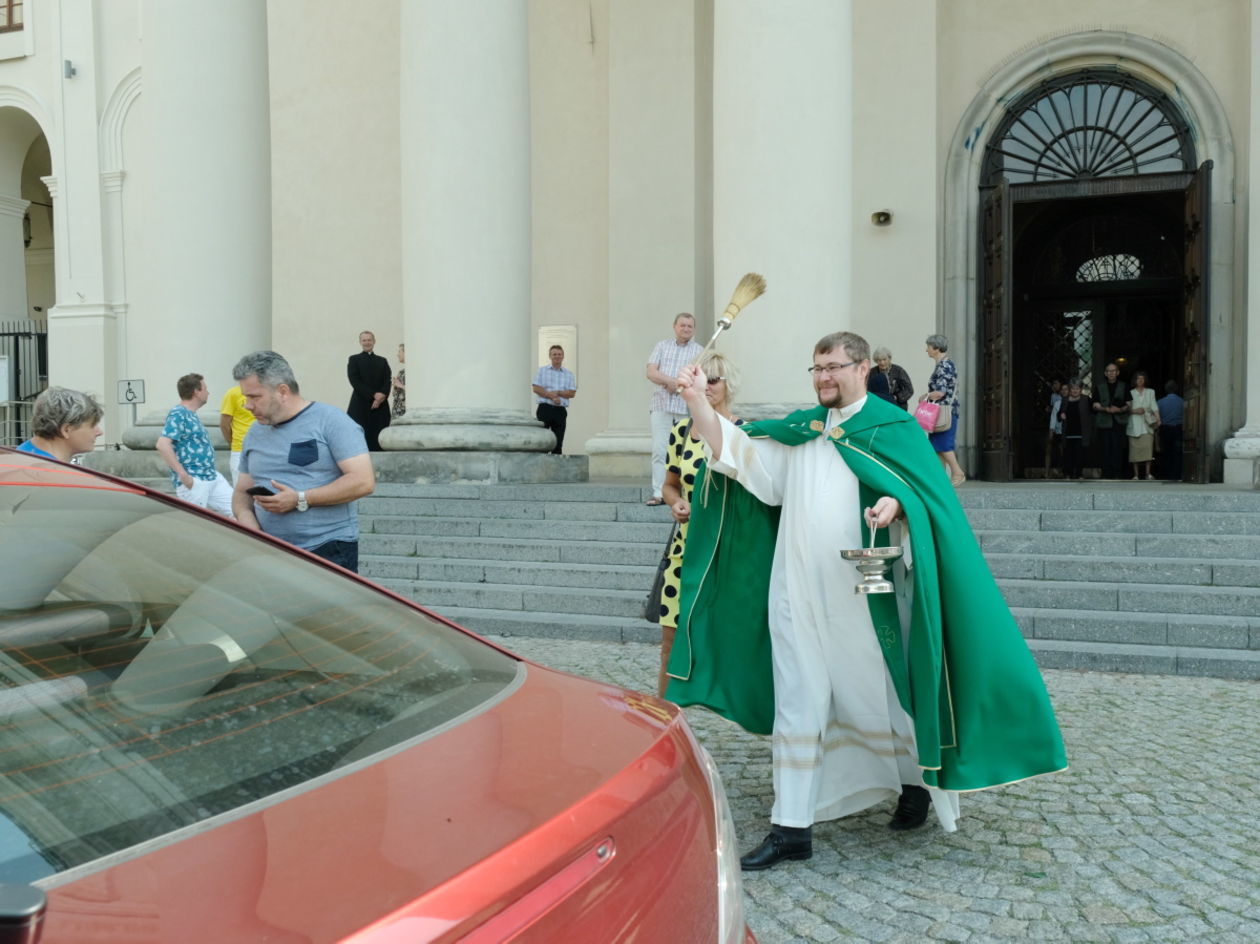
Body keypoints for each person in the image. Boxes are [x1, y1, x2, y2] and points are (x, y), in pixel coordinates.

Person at [667, 331, 1065, 871]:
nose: (824, 377)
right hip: (796, 590)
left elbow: (928, 501)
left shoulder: (894, 429)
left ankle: (915, 782)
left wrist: (895, 503)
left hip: (865, 591)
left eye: (834, 366)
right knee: (798, 699)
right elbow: (739, 456)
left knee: (883, 687)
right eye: (816, 368)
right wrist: (694, 399)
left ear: (861, 369)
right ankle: (791, 827)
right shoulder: (803, 431)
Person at [231, 350, 375, 572]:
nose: (247, 406)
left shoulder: (331, 421)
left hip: (327, 550)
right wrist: (249, 524)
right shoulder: (254, 432)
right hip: (269, 552)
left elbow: (363, 481)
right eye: (245, 398)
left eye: (254, 397)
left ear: (282, 391)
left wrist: (300, 498)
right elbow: (242, 492)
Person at [657, 352, 741, 697]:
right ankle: (663, 714)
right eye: (700, 380)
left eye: (715, 380)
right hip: (686, 548)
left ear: (728, 385)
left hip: (725, 549)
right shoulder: (681, 431)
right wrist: (675, 501)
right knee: (670, 637)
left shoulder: (740, 430)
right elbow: (669, 483)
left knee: (726, 636)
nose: (707, 386)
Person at [645, 313, 703, 505]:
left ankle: (680, 493)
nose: (686, 329)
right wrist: (670, 381)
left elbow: (700, 378)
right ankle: (658, 493)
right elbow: (651, 372)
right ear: (674, 326)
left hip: (685, 408)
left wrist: (681, 385)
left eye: (690, 326)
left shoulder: (700, 351)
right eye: (683, 325)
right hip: (661, 406)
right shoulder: (662, 346)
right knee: (659, 450)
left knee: (681, 450)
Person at [156, 373, 234, 516]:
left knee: (238, 510)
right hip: (195, 480)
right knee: (195, 523)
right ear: (196, 392)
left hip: (210, 476)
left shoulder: (191, 414)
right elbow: (162, 444)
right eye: (205, 388)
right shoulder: (179, 413)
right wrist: (184, 476)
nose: (208, 392)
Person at [921, 334, 965, 486]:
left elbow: (940, 392)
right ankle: (940, 479)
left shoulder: (944, 366)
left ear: (936, 348)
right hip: (940, 412)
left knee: (944, 445)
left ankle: (957, 472)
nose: (926, 349)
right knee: (936, 447)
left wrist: (925, 397)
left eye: (928, 346)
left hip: (945, 412)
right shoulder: (943, 365)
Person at [15, 387, 103, 461]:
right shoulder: (47, 474)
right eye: (93, 425)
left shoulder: (21, 456)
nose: (100, 432)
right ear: (66, 430)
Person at [346, 330, 392, 452]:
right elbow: (354, 381)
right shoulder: (354, 359)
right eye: (364, 340)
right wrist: (373, 395)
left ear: (374, 341)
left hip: (380, 407)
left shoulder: (382, 361)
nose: (367, 342)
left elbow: (387, 381)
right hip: (360, 405)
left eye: (369, 340)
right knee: (359, 439)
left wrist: (382, 396)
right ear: (360, 342)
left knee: (379, 438)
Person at [532, 344, 578, 455]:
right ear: (550, 356)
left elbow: (572, 393)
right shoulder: (542, 371)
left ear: (563, 356)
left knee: (558, 443)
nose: (557, 356)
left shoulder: (569, 374)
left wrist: (558, 393)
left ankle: (556, 469)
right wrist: (551, 396)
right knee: (542, 441)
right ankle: (540, 467)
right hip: (545, 409)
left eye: (559, 354)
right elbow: (536, 388)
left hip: (560, 411)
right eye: (554, 354)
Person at [1091, 362, 1129, 479]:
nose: (1111, 373)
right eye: (1109, 371)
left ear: (1117, 372)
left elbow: (1129, 405)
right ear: (1105, 373)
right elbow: (1095, 405)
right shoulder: (1099, 387)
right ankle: (1106, 473)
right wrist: (1106, 409)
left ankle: (1118, 473)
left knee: (1118, 448)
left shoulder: (1124, 386)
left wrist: (1119, 409)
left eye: (1113, 371)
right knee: (1105, 448)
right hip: (1104, 423)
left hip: (1119, 423)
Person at [1126, 371, 1160, 481]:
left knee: (1148, 450)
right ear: (1134, 381)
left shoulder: (1151, 392)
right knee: (1134, 451)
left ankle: (1148, 474)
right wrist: (1135, 411)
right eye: (1138, 379)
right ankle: (1136, 475)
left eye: (1142, 378)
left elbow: (1154, 406)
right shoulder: (1130, 392)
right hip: (1134, 424)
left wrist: (1158, 418)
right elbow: (1126, 409)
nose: (1140, 380)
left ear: (1145, 380)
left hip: (1147, 424)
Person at [219, 384, 255, 484]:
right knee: (241, 491)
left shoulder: (266, 391)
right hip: (240, 450)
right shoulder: (233, 393)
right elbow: (224, 424)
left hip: (263, 450)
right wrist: (233, 443)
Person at [1058, 379, 1092, 480]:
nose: (1075, 391)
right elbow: (1059, 414)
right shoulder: (1065, 400)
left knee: (1080, 455)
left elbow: (1094, 412)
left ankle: (1079, 474)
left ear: (1081, 389)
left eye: (1077, 388)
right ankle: (1067, 474)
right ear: (1070, 390)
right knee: (1068, 455)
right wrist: (1061, 415)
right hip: (1068, 432)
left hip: (1081, 432)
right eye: (1073, 388)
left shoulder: (1086, 399)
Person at [1156, 380, 1185, 480]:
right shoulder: (1182, 401)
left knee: (1165, 453)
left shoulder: (1160, 402)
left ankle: (1165, 475)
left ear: (1166, 390)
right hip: (1178, 429)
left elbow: (1156, 417)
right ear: (1176, 390)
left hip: (1165, 429)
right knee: (1177, 453)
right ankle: (1176, 475)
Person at [1045, 379, 1063, 477]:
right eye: (1053, 383)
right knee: (1049, 448)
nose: (1054, 385)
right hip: (1052, 426)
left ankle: (1063, 471)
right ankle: (1046, 473)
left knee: (1062, 448)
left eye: (1056, 383)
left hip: (1061, 427)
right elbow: (1049, 409)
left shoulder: (1065, 396)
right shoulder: (1051, 395)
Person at [391, 343, 407, 421]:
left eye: (399, 351)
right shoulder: (401, 372)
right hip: (397, 412)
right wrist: (395, 386)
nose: (397, 354)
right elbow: (395, 395)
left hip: (405, 413)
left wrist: (401, 386)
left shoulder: (415, 372)